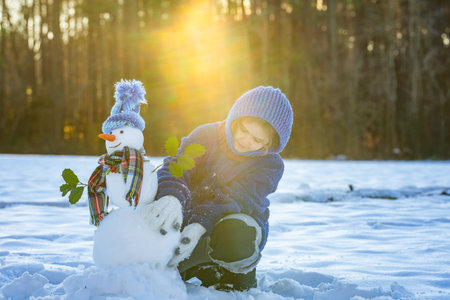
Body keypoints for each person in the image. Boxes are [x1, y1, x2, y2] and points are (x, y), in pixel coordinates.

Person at [141, 86, 293, 291]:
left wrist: (199, 224)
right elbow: (177, 167)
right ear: (236, 120)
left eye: (257, 140)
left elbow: (237, 197)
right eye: (244, 130)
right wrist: (172, 197)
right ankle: (199, 267)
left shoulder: (269, 165)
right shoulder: (206, 136)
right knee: (154, 264)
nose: (246, 140)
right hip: (185, 223)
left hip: (228, 227)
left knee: (234, 234)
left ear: (269, 143)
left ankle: (236, 273)